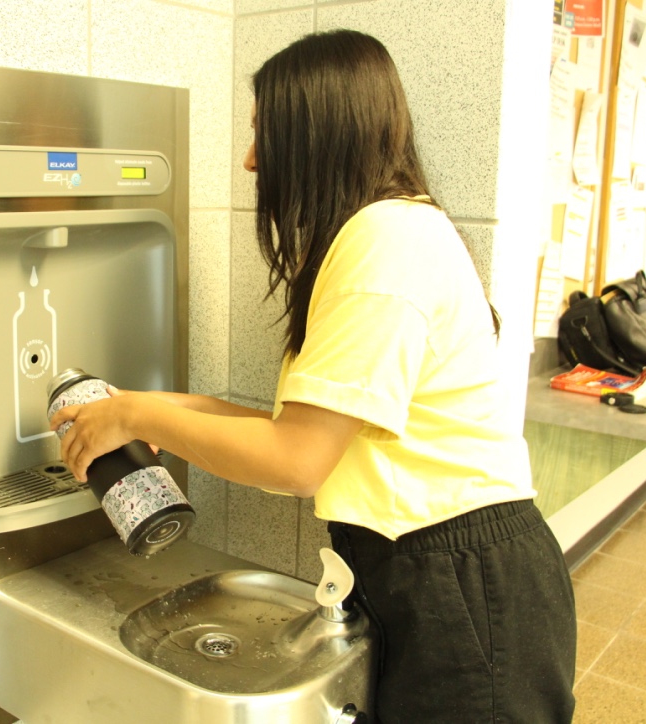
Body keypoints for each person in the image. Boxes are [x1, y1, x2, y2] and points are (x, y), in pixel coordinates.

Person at [50, 29, 576, 723]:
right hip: (430, 573)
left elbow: (295, 462)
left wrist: (139, 419)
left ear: (317, 135)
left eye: (263, 134)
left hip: (465, 588)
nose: (248, 160)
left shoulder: (386, 246)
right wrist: (136, 405)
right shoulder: (384, 234)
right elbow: (295, 432)